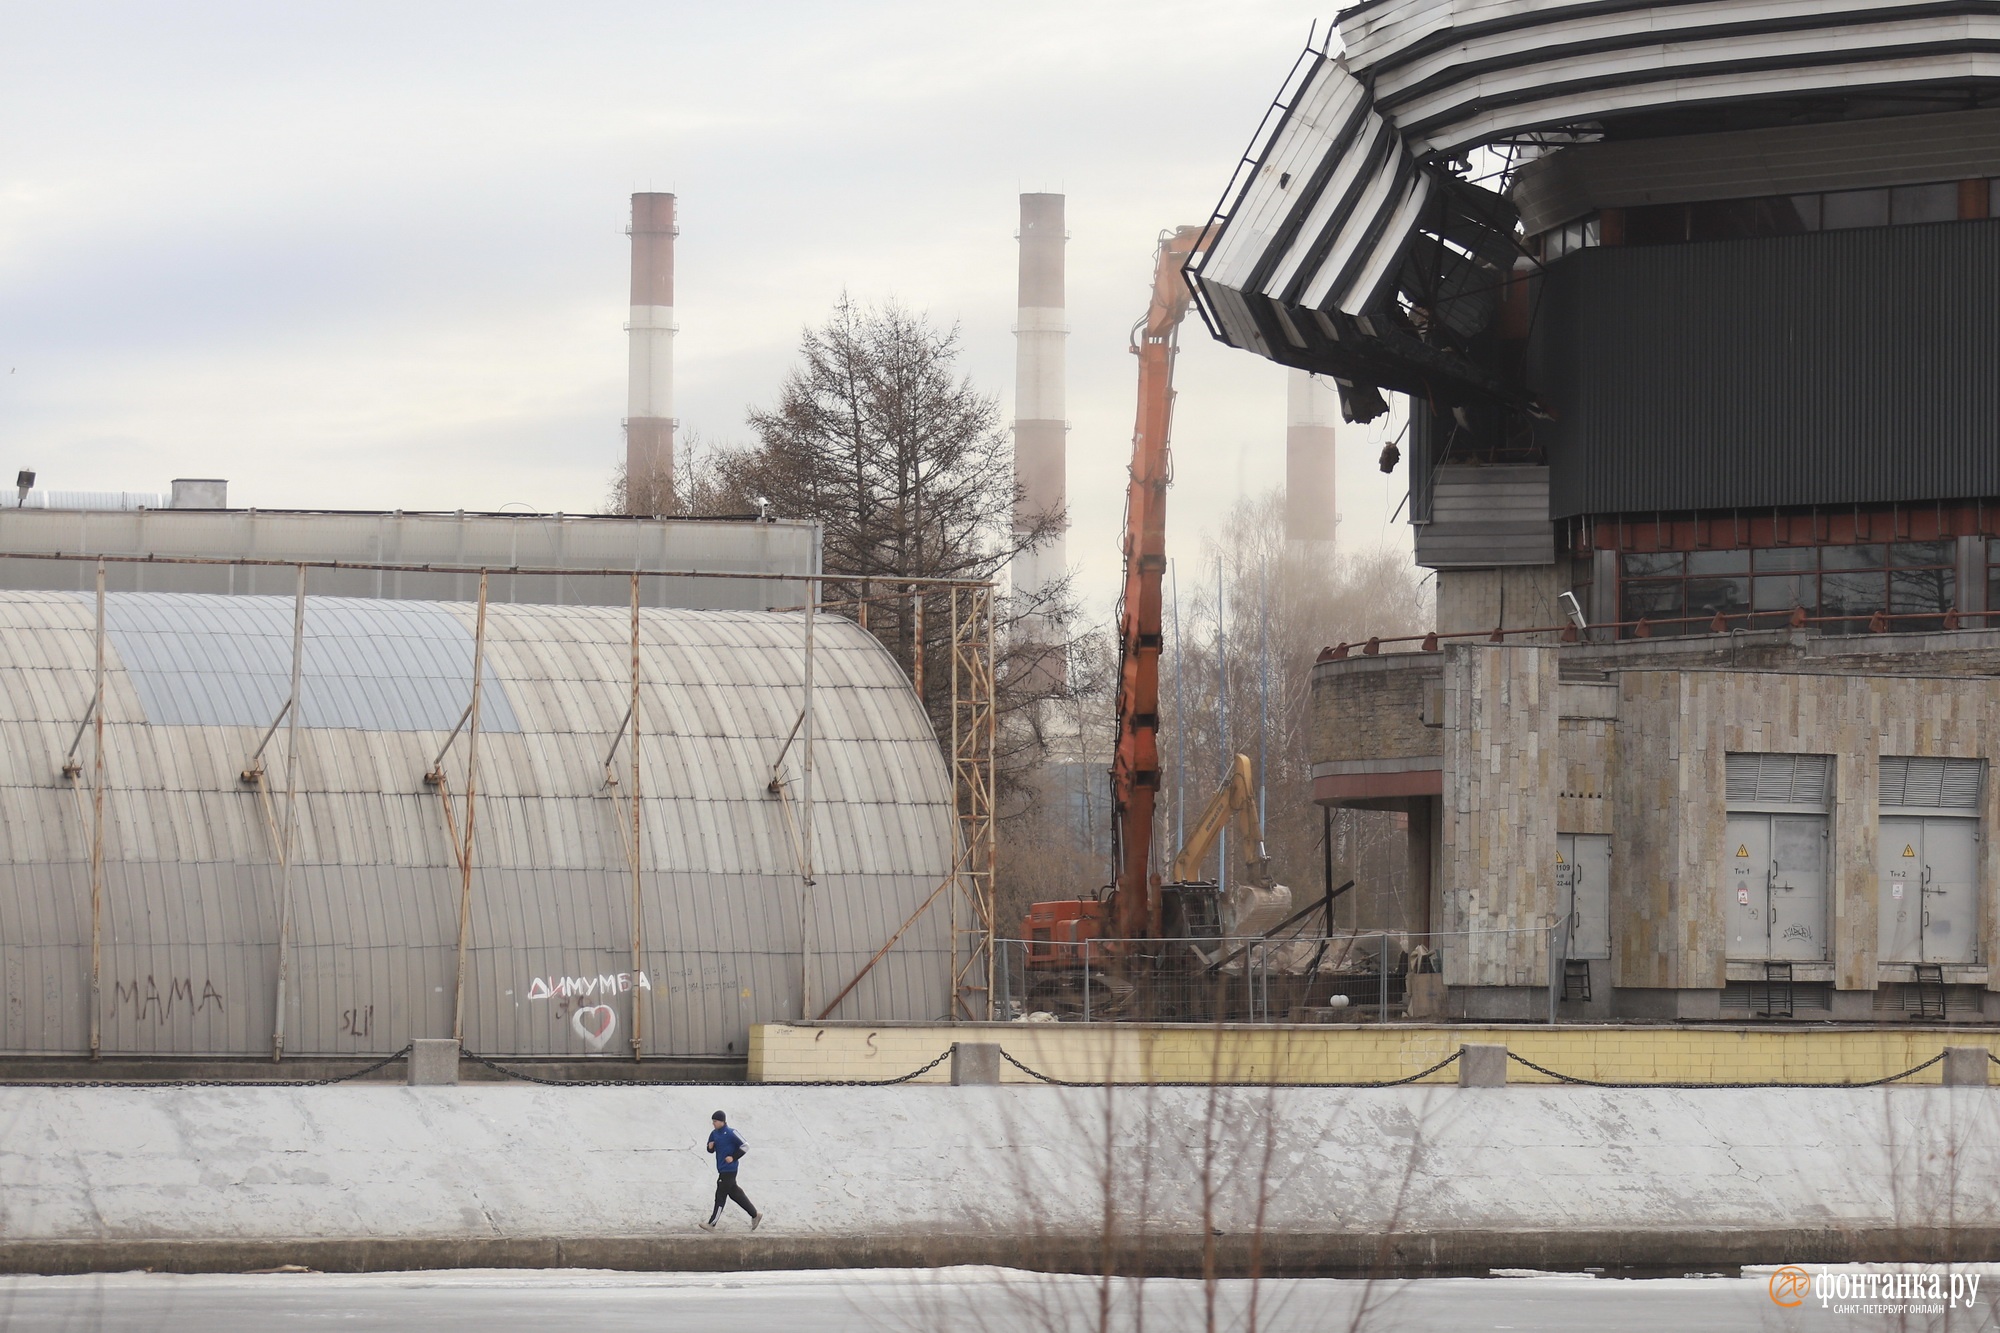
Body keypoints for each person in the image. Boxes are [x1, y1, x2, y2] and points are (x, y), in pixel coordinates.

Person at [700, 1110, 762, 1231]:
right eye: (713, 1121)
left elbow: (746, 1145)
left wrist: (733, 1157)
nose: (713, 1123)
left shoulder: (731, 1132)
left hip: (730, 1169)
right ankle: (755, 1214)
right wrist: (710, 1147)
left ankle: (712, 1224)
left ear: (722, 1121)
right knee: (735, 1194)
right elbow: (710, 1150)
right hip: (721, 1168)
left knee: (720, 1195)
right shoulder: (714, 1134)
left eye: (715, 1121)